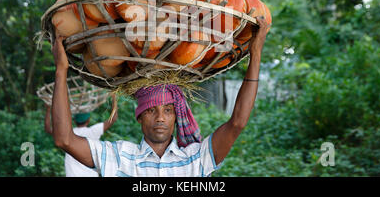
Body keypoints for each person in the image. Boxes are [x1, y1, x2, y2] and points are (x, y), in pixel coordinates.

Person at [50, 16, 269, 177]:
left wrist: (256, 53)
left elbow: (238, 122)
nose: (160, 118)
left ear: (176, 116)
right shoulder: (119, 158)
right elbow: (64, 139)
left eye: (168, 110)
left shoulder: (196, 159)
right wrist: (61, 69)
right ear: (139, 116)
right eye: (151, 110)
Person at [44, 94, 118, 177]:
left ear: (74, 121)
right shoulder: (93, 132)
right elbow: (113, 118)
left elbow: (48, 128)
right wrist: (113, 97)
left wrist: (48, 109)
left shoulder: (68, 134)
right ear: (88, 120)